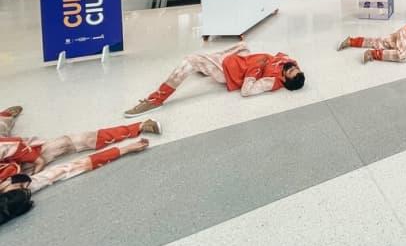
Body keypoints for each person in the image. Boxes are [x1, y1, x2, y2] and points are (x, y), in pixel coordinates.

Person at [0, 106, 158, 196]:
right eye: (22, 187)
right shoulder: (26, 186)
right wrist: (123, 150)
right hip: (13, 169)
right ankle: (140, 125)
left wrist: (36, 159)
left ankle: (5, 116)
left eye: (18, 186)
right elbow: (69, 168)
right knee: (65, 143)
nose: (22, 185)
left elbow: (6, 145)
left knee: (2, 127)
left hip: (8, 152)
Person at [123, 42, 305, 117]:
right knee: (243, 45)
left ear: (286, 80)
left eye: (292, 72)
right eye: (296, 69)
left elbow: (247, 91)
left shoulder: (271, 82)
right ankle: (206, 65)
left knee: (190, 61)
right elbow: (284, 55)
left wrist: (254, 71)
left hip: (228, 71)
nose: (293, 68)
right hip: (238, 59)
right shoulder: (288, 63)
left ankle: (156, 99)